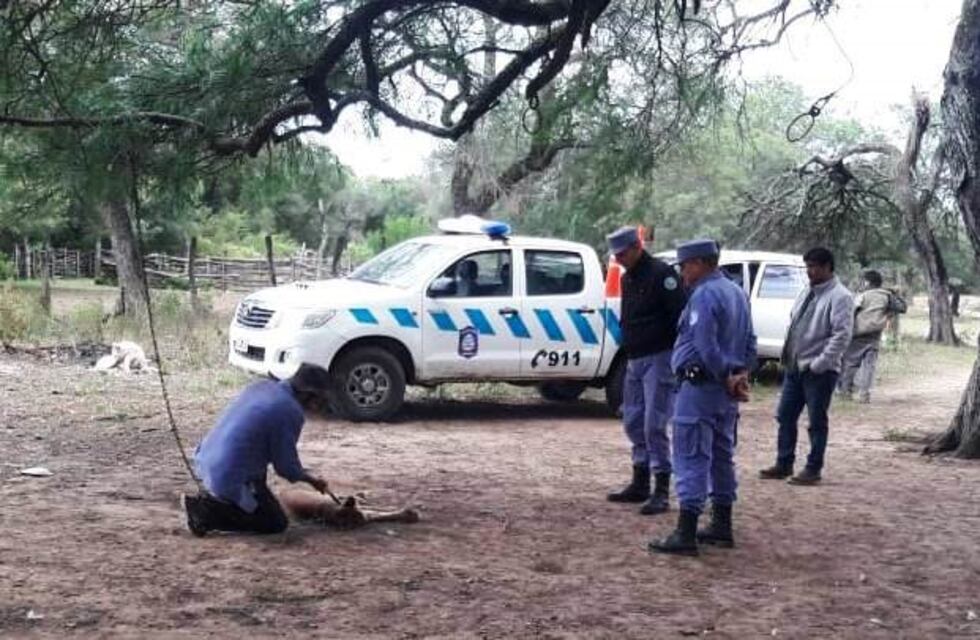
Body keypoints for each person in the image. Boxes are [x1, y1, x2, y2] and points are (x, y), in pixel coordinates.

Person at [647, 239, 756, 556]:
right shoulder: (736, 292)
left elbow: (705, 345)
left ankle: (686, 531)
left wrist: (724, 373)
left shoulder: (705, 294)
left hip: (701, 387)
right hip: (725, 391)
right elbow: (750, 341)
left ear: (699, 263)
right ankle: (722, 524)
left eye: (685, 266)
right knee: (722, 455)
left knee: (691, 454)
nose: (682, 274)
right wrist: (740, 375)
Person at [183, 363, 331, 536]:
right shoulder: (290, 410)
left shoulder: (261, 386)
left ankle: (231, 497)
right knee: (275, 522)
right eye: (320, 400)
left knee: (256, 467)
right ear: (308, 395)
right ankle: (207, 512)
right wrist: (312, 480)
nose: (320, 405)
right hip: (225, 474)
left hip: (206, 460)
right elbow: (285, 467)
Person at [605, 226, 687, 515]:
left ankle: (661, 489)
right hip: (635, 358)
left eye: (622, 253)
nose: (619, 258)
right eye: (616, 254)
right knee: (633, 420)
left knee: (655, 424)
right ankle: (640, 480)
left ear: (637, 247)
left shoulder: (662, 275)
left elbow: (680, 315)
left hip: (660, 357)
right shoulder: (628, 279)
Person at [760, 247, 853, 486]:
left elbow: (841, 335)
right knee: (785, 416)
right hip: (794, 366)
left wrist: (820, 363)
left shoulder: (840, 296)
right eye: (808, 266)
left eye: (815, 266)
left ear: (828, 267)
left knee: (816, 421)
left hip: (818, 371)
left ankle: (813, 468)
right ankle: (784, 463)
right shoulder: (806, 292)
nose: (810, 271)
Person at [838, 270, 904, 403]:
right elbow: (902, 308)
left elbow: (852, 312)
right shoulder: (886, 296)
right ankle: (864, 395)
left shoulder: (863, 296)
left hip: (858, 334)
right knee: (869, 366)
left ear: (867, 282)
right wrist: (894, 295)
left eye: (863, 281)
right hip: (875, 334)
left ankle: (846, 392)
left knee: (851, 363)